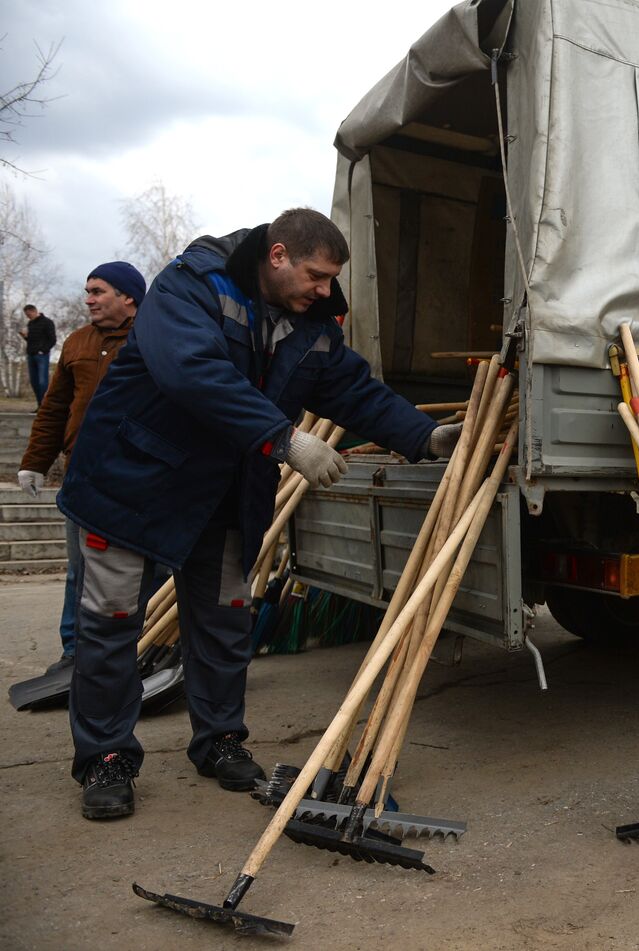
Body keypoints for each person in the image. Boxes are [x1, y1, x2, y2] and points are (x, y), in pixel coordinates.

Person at [57, 208, 463, 820]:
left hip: (223, 496)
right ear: (277, 256)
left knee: (223, 625)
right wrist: (287, 439)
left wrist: (425, 437)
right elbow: (192, 372)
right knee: (111, 625)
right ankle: (107, 759)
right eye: (317, 276)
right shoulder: (192, 284)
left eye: (332, 280)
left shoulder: (312, 322)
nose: (327, 291)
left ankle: (219, 740)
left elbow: (353, 390)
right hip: (132, 488)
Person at [18, 263, 149, 674]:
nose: (88, 299)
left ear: (128, 296)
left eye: (98, 291)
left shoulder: (154, 340)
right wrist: (35, 463)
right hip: (82, 477)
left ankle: (147, 649)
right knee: (80, 573)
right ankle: (74, 654)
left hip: (138, 478)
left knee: (146, 573)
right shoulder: (77, 342)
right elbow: (55, 408)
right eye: (87, 291)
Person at [19, 303, 57, 408]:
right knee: (34, 382)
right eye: (26, 315)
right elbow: (30, 340)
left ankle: (45, 407)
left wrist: (43, 350)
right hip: (31, 355)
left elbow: (53, 339)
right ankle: (40, 405)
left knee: (42, 382)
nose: (28, 317)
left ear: (34, 311)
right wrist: (24, 337)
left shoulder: (47, 322)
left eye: (29, 315)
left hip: (42, 356)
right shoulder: (30, 324)